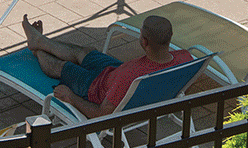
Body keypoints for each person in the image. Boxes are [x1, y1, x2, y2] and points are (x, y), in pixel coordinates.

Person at [21, 13, 192, 119]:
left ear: (144, 41)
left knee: (62, 67)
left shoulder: (130, 78)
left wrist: (71, 97)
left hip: (94, 87)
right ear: (170, 37)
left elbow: (102, 115)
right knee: (86, 52)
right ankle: (40, 41)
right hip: (114, 70)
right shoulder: (185, 58)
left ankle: (36, 49)